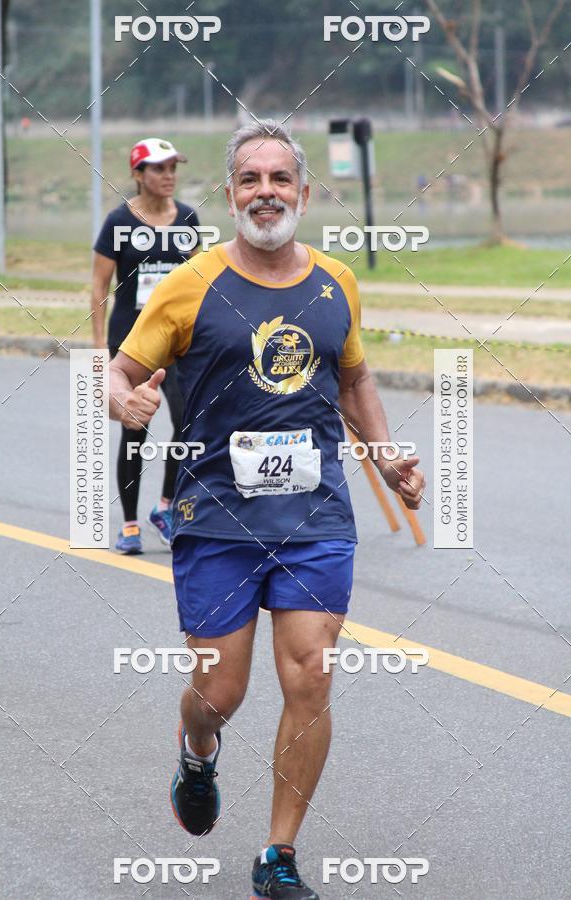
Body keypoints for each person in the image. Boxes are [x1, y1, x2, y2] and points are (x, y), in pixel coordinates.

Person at [108, 120, 425, 899]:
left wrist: (386, 456)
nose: (266, 193)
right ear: (229, 195)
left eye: (280, 179)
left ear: (304, 193)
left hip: (315, 515)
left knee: (312, 676)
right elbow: (119, 373)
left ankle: (278, 855)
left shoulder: (336, 282)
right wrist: (126, 402)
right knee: (221, 691)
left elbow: (352, 381)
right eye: (250, 179)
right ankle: (197, 748)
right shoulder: (191, 284)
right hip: (216, 515)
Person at [91, 137, 200, 554]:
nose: (168, 176)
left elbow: (197, 283)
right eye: (158, 168)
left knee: (188, 422)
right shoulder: (119, 221)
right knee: (135, 428)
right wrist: (101, 346)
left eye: (173, 167)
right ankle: (131, 524)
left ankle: (167, 507)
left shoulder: (189, 219)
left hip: (177, 343)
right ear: (138, 175)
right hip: (132, 343)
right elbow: (100, 285)